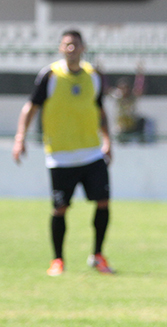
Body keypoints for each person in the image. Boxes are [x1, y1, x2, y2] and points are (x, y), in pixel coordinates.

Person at [12, 30, 115, 276]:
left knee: (103, 203)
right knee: (60, 209)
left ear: (83, 48)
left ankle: (98, 255)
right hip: (60, 157)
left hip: (91, 153)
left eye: (75, 44)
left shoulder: (94, 76)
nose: (71, 48)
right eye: (67, 44)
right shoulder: (50, 76)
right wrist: (20, 138)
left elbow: (100, 110)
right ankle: (58, 260)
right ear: (61, 47)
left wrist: (108, 140)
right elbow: (31, 107)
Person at [110, 64, 149, 143]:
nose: (125, 90)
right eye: (123, 88)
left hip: (132, 124)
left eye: (126, 88)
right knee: (121, 135)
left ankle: (141, 141)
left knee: (142, 121)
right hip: (122, 126)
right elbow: (107, 90)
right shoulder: (118, 97)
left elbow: (139, 89)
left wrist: (140, 75)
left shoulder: (132, 98)